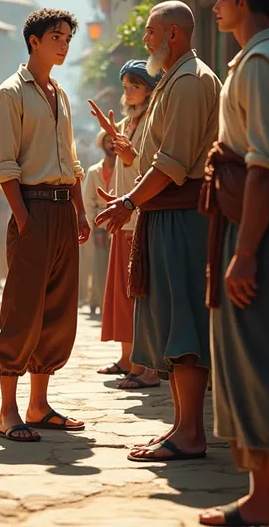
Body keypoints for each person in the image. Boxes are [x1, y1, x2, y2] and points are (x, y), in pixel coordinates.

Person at [96, 2, 221, 463]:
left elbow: (171, 164)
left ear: (172, 33)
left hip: (181, 216)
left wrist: (129, 201)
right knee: (172, 322)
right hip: (165, 214)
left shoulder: (189, 81)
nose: (144, 40)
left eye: (150, 32)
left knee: (183, 324)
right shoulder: (174, 79)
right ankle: (180, 428)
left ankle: (190, 433)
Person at [199, 0, 269, 527]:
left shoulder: (261, 63)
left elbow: (264, 168)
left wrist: (247, 251)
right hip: (246, 223)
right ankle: (260, 500)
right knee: (246, 362)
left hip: (261, 230)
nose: (216, 6)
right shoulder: (262, 58)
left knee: (264, 364)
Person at [0, 8, 90, 442]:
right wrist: (24, 217)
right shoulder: (9, 93)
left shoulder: (60, 93)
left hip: (65, 207)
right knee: (22, 308)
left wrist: (81, 210)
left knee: (59, 309)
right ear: (33, 41)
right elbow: (5, 165)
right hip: (31, 206)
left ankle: (39, 404)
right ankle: (8, 411)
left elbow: (71, 159)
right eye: (56, 36)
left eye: (68, 37)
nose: (64, 44)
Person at [89, 60, 160, 390]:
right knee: (122, 290)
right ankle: (127, 357)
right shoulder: (131, 123)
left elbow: (151, 165)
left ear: (149, 89)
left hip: (139, 216)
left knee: (138, 291)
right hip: (124, 216)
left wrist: (130, 157)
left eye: (135, 86)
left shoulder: (150, 121)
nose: (128, 93)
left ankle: (145, 365)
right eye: (126, 87)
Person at [83, 131, 115, 316]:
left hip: (122, 221)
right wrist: (92, 225)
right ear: (101, 145)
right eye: (107, 141)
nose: (111, 144)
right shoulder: (94, 171)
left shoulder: (124, 167)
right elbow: (88, 201)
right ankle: (99, 301)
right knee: (100, 265)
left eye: (113, 141)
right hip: (100, 224)